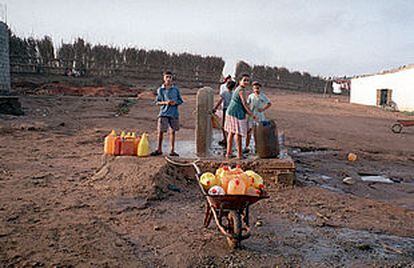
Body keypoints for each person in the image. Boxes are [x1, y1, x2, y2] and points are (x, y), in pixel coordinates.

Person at [151, 71, 184, 157]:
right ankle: (159, 149)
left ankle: (172, 150)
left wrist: (175, 102)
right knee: (160, 131)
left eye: (170, 77)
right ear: (164, 78)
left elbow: (180, 101)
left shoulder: (176, 89)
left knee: (173, 132)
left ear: (172, 78)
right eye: (167, 77)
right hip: (163, 112)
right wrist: (166, 102)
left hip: (174, 113)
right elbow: (157, 102)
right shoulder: (160, 90)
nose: (168, 79)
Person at [224, 74, 256, 159]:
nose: (246, 82)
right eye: (244, 80)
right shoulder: (241, 90)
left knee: (231, 132)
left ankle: (229, 153)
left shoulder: (238, 89)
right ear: (239, 81)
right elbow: (244, 103)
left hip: (231, 111)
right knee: (238, 133)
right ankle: (239, 154)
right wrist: (251, 114)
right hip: (235, 113)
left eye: (247, 80)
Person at [244, 81, 272, 153]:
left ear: (260, 88)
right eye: (254, 88)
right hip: (252, 115)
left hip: (260, 116)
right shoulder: (251, 96)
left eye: (257, 88)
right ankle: (246, 146)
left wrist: (263, 109)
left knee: (258, 132)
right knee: (249, 131)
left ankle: (257, 146)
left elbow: (269, 103)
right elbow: (247, 104)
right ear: (253, 89)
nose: (256, 89)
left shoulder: (263, 96)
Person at [212, 79, 236, 146]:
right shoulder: (234, 93)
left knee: (224, 126)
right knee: (231, 125)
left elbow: (220, 101)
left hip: (226, 110)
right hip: (233, 110)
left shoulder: (224, 93)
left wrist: (215, 108)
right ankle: (230, 139)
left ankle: (226, 139)